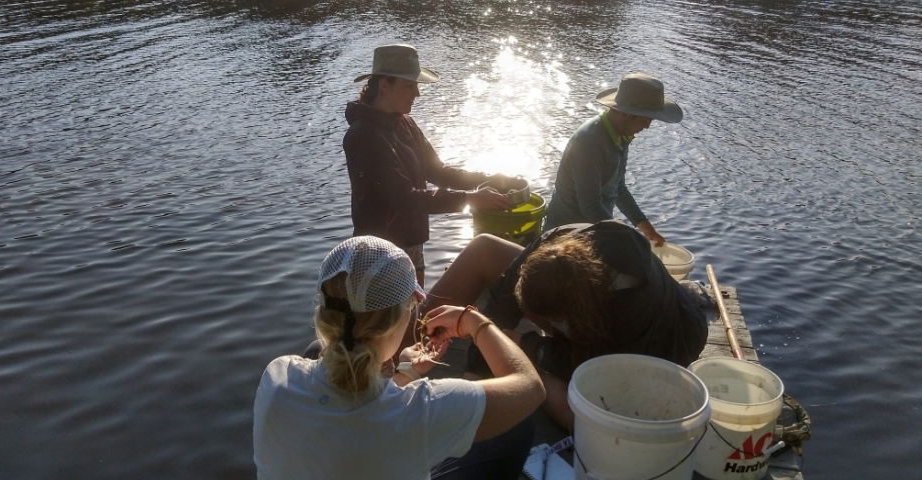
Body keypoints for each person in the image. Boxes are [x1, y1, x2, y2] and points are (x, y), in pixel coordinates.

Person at [252, 236, 546, 480]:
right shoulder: (420, 414)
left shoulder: (276, 377)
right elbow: (530, 388)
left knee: (316, 349)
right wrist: (476, 322)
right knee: (518, 426)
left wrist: (402, 376)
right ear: (398, 321)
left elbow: (354, 419)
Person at [421, 220, 708, 432]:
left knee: (587, 422)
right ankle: (404, 343)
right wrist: (475, 373)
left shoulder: (629, 309)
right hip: (591, 306)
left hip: (668, 341)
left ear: (569, 317)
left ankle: (531, 378)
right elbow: (502, 301)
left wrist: (525, 348)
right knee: (485, 247)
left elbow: (590, 366)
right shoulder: (552, 248)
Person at [344, 44, 518, 285]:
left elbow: (439, 172)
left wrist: (489, 179)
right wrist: (470, 198)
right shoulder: (364, 135)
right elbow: (404, 198)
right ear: (384, 85)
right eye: (409, 85)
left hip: (411, 246)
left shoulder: (405, 124)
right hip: (380, 254)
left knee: (415, 317)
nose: (417, 93)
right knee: (393, 322)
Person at [544, 73, 683, 246]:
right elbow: (590, 205)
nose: (647, 126)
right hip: (564, 236)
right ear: (626, 114)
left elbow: (618, 188)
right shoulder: (590, 142)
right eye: (646, 119)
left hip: (593, 230)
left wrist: (646, 228)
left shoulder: (621, 135)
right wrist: (623, 236)